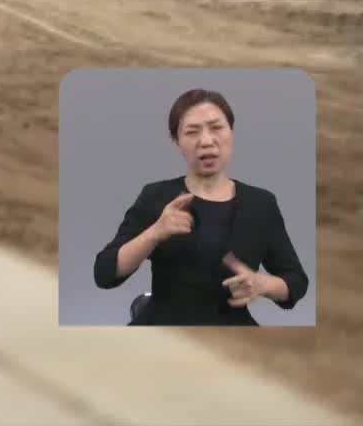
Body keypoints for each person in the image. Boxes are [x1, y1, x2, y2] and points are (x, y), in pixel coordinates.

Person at [93, 88, 308, 325]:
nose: (206, 141)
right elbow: (104, 273)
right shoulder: (157, 195)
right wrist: (154, 233)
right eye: (192, 132)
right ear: (177, 142)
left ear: (231, 132)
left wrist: (263, 284)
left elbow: (296, 281)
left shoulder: (261, 204)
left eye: (217, 128)